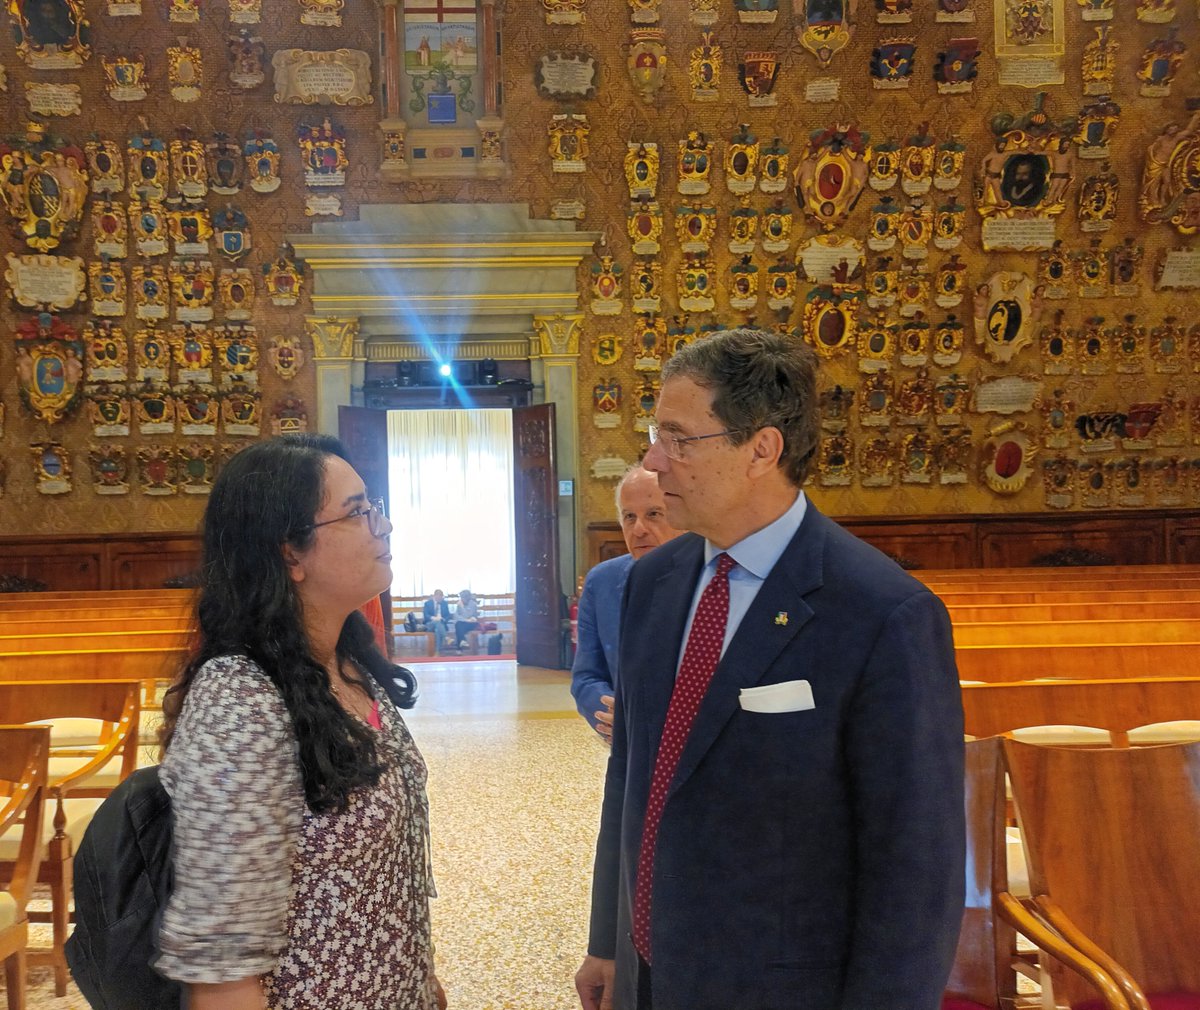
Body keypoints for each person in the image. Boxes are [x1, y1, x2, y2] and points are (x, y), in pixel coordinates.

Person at [575, 328, 964, 1010]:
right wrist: (607, 941)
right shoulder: (652, 584)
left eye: (677, 437)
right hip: (648, 975)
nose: (654, 461)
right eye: (654, 433)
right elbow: (632, 780)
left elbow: (916, 870)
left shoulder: (882, 614)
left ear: (762, 448)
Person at [155, 434, 446, 1010]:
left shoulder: (348, 664)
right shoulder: (239, 700)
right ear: (290, 552)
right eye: (359, 512)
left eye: (375, 508)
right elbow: (222, 970)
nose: (382, 527)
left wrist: (418, 976)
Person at [570, 467, 683, 742]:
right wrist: (610, 712)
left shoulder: (712, 577)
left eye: (654, 514)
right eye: (629, 517)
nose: (640, 529)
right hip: (626, 744)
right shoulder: (602, 582)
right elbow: (586, 677)